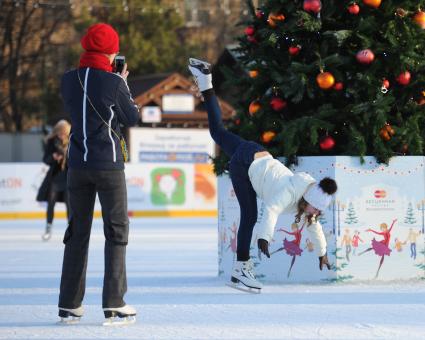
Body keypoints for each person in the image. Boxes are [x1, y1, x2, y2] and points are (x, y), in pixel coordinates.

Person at [188, 58, 337, 291]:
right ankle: (241, 269)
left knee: (218, 132)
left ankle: (205, 79)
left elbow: (315, 228)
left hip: (257, 152)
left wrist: (323, 253)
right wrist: (264, 238)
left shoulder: (308, 200)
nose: (316, 213)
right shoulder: (291, 191)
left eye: (319, 210)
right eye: (316, 208)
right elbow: (272, 210)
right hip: (246, 163)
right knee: (249, 214)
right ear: (309, 201)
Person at [58, 23, 139, 324]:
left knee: (76, 233)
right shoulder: (113, 82)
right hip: (108, 164)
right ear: (110, 52)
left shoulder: (68, 80)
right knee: (116, 231)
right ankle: (114, 301)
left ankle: (69, 304)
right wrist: (123, 83)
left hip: (77, 165)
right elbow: (132, 117)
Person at [37, 120, 71, 241]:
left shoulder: (72, 141)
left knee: (69, 204)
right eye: (59, 133)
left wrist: (66, 156)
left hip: (68, 178)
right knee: (50, 203)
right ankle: (48, 228)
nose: (61, 136)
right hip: (55, 178)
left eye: (63, 133)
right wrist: (53, 157)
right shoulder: (51, 142)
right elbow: (45, 159)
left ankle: (70, 230)